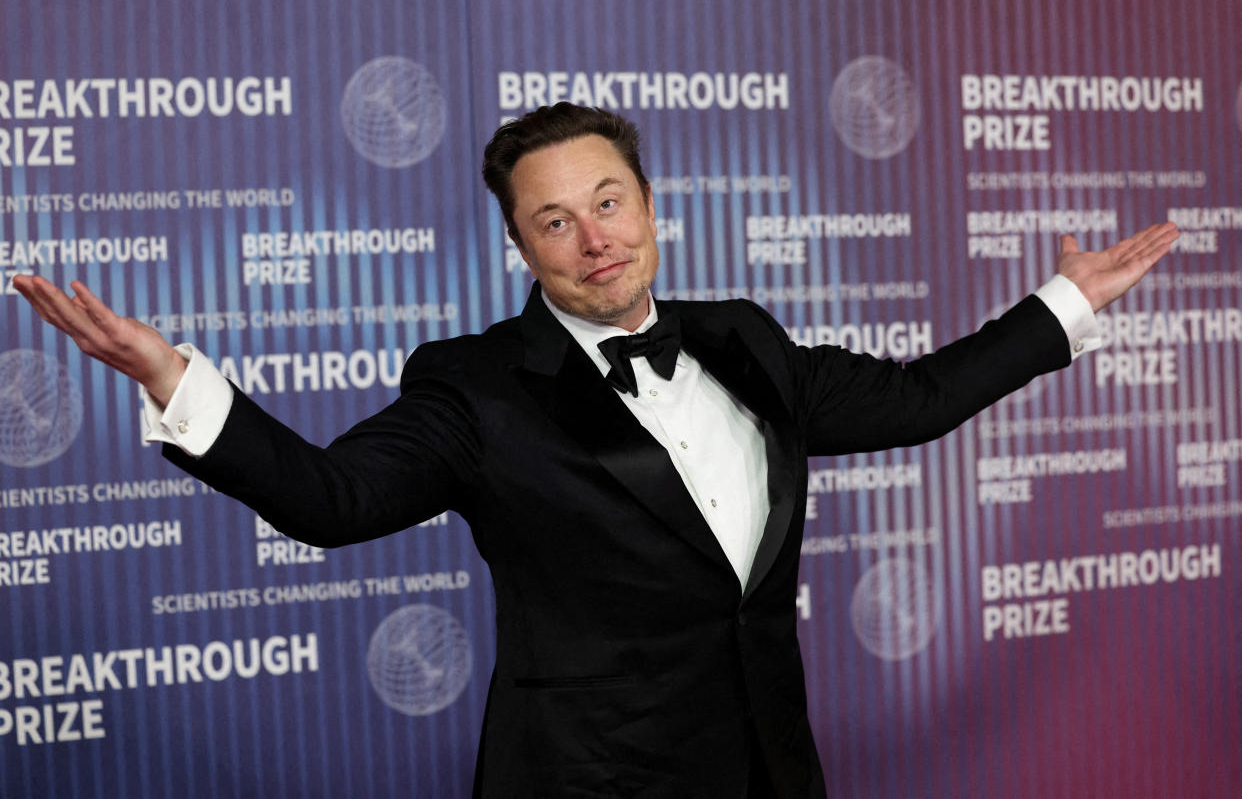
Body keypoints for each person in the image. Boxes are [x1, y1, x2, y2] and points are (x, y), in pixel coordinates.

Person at [14, 103, 1178, 798]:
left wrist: (1061, 306)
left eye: (608, 201)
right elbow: (332, 497)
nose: (592, 238)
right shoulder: (474, 387)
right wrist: (177, 381)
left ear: (652, 205)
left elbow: (918, 398)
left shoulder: (746, 341)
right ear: (519, 243)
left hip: (772, 767)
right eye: (553, 219)